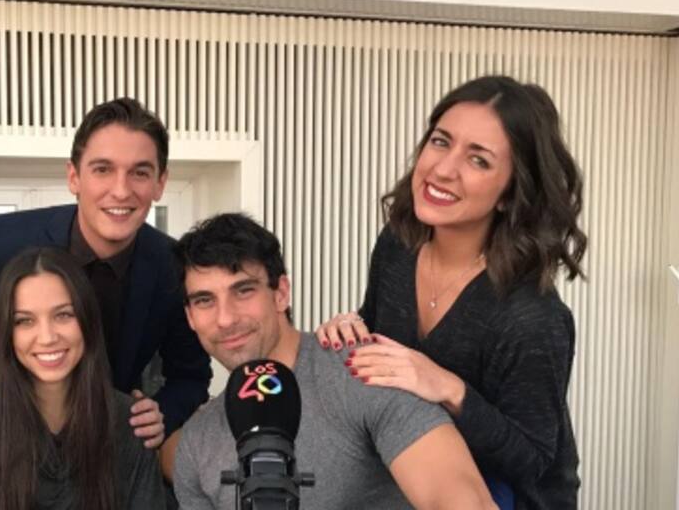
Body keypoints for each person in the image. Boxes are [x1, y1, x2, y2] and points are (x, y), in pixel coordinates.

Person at [316, 75, 585, 509]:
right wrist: (352, 327)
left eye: (478, 160)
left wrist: (450, 389)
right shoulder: (398, 246)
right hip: (415, 484)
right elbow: (381, 336)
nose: (443, 169)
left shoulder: (532, 317)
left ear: (509, 193)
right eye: (441, 142)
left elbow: (532, 460)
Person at [0, 97, 211, 445]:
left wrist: (161, 414)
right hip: (5, 443)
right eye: (103, 169)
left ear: (160, 183)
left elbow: (191, 376)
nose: (121, 190)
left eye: (140, 172)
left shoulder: (171, 265)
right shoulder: (4, 240)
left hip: (109, 449)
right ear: (74, 177)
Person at [171, 213, 495, 510]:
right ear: (190, 317)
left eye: (243, 291)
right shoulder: (197, 442)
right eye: (204, 300)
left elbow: (465, 502)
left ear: (281, 293)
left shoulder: (365, 371)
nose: (226, 319)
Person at [0, 247, 166, 509]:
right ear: (6, 332)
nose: (47, 337)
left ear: (87, 320)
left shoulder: (132, 421)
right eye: (25, 321)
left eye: (63, 315)